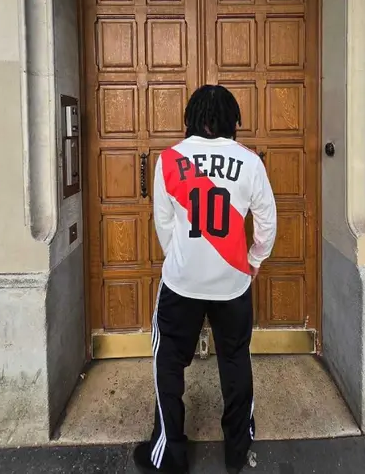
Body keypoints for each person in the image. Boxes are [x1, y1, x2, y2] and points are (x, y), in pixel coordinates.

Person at [133, 85, 276, 474]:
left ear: (191, 119)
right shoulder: (249, 162)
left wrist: (179, 259)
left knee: (168, 363)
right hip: (232, 282)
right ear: (233, 121)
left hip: (182, 285)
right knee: (235, 360)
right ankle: (236, 451)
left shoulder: (169, 160)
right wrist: (255, 259)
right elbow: (267, 221)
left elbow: (163, 223)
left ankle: (169, 454)